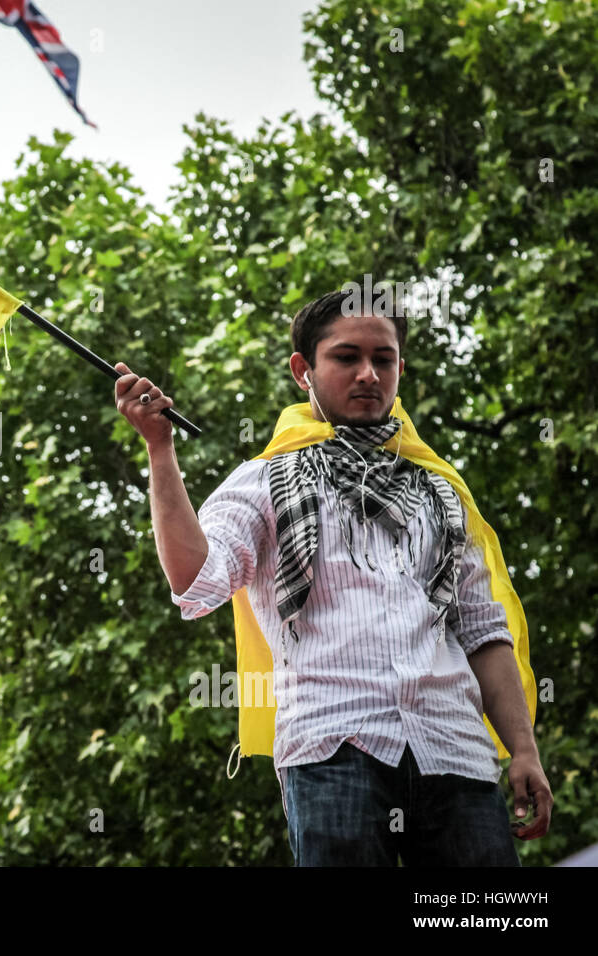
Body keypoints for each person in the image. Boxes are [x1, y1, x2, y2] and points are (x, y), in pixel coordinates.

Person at [115, 289, 552, 866]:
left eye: (384, 359)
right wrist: (159, 448)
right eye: (346, 358)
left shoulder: (439, 491)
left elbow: (481, 632)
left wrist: (524, 751)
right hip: (332, 749)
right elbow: (197, 580)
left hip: (456, 751)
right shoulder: (264, 481)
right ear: (304, 370)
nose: (369, 374)